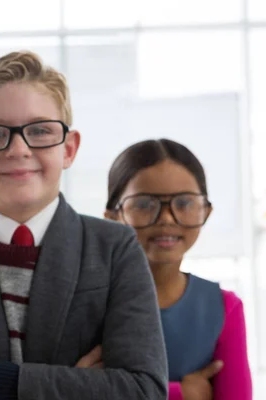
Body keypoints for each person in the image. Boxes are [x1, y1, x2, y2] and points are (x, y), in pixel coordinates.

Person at [0, 50, 168, 399]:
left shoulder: (114, 248)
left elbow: (142, 390)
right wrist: (77, 385)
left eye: (40, 130)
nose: (18, 149)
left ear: (69, 148)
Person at [105, 138, 252, 400]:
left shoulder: (223, 307)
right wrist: (180, 393)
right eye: (144, 204)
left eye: (184, 203)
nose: (167, 219)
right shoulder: (90, 300)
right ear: (113, 216)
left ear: (205, 211)